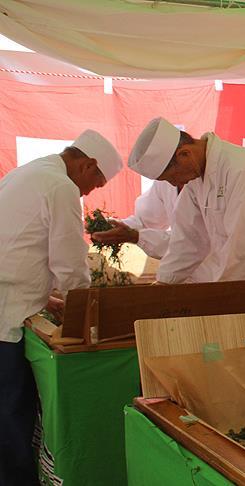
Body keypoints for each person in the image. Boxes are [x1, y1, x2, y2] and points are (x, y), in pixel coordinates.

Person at [0, 130, 122, 484]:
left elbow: (23, 245)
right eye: (94, 184)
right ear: (88, 165)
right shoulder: (61, 186)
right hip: (6, 312)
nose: (88, 193)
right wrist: (85, 309)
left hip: (12, 299)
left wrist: (46, 297)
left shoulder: (30, 171)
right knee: (12, 411)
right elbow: (69, 264)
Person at [127, 118, 245, 283]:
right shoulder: (195, 180)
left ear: (184, 154)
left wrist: (217, 292)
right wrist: (165, 281)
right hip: (243, 280)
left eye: (170, 177)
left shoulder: (239, 168)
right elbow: (188, 239)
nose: (174, 183)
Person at [91, 180, 179, 259]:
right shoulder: (164, 182)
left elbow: (186, 242)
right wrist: (113, 227)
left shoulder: (190, 188)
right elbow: (145, 220)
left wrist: (136, 236)